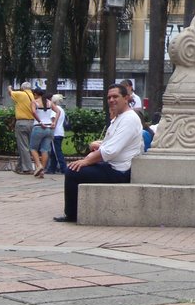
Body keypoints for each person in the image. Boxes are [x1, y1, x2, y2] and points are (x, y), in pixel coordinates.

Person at [54, 83, 143, 223]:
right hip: (110, 166)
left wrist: (86, 161)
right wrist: (96, 145)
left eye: (115, 96)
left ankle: (72, 215)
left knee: (73, 171)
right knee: (77, 167)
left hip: (119, 171)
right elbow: (110, 144)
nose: (111, 100)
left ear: (126, 98)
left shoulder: (129, 119)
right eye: (109, 97)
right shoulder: (120, 118)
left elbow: (110, 151)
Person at [8, 82, 35, 174]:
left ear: (22, 88)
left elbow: (10, 93)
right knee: (25, 146)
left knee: (23, 146)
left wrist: (9, 87)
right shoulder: (33, 95)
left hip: (22, 123)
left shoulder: (20, 94)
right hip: (32, 122)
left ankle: (27, 168)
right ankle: (19, 166)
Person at [29, 86, 56, 179]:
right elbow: (58, 111)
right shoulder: (49, 102)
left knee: (33, 148)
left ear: (36, 94)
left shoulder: (35, 102)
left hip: (39, 127)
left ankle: (38, 165)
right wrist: (54, 122)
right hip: (49, 128)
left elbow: (33, 112)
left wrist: (40, 122)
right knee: (45, 149)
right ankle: (42, 170)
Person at [45, 93, 67, 175]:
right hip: (60, 132)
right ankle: (52, 168)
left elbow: (53, 120)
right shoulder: (61, 109)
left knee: (57, 152)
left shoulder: (54, 109)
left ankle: (63, 168)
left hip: (55, 133)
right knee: (54, 152)